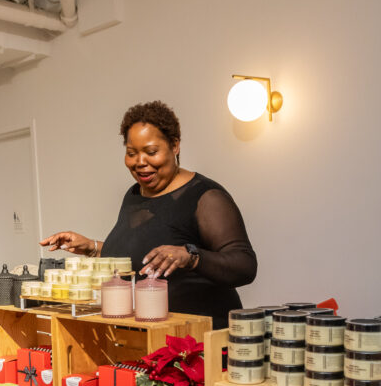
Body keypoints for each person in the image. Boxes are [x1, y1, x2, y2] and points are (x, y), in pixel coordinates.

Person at [40, 100, 257, 328]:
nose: (140, 162)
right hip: (149, 335)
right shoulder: (134, 195)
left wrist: (191, 256)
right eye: (131, 153)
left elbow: (245, 266)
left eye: (151, 152)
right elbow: (143, 255)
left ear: (175, 146)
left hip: (199, 336)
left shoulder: (205, 197)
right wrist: (92, 247)